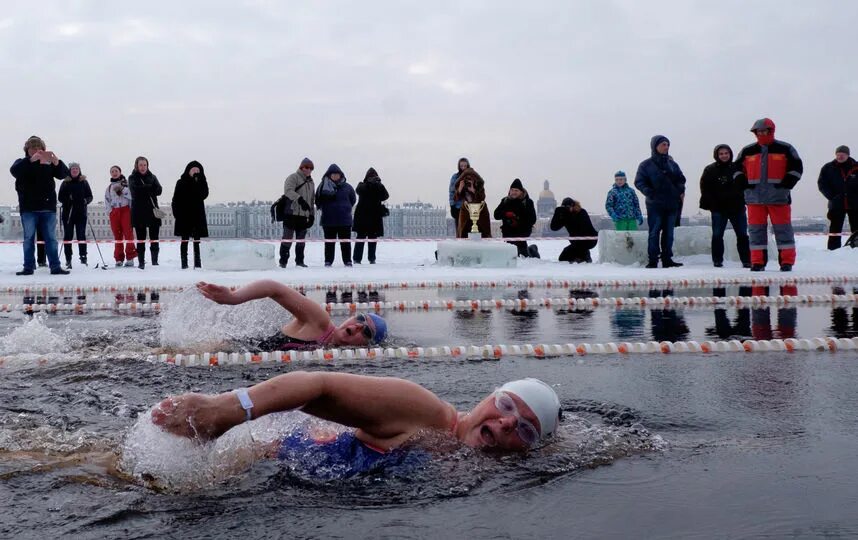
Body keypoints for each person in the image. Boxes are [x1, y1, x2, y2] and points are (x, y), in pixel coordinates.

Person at [150, 370, 562, 463]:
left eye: (525, 430)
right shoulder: (426, 412)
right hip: (242, 463)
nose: (508, 422)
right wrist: (224, 410)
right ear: (487, 400)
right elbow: (318, 385)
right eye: (507, 406)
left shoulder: (468, 458)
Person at [198, 279, 387, 350]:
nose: (355, 327)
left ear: (368, 345)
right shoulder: (320, 322)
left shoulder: (334, 357)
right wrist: (233, 297)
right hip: (226, 351)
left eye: (366, 332)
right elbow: (274, 288)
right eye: (360, 319)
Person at [735, 118, 803, 272]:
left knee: (783, 230)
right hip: (754, 198)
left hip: (779, 197)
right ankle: (757, 262)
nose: (761, 133)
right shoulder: (747, 151)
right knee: (755, 231)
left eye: (763, 131)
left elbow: (797, 168)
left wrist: (786, 184)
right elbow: (736, 169)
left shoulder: (785, 148)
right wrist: (742, 182)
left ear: (771, 131)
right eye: (758, 131)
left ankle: (787, 262)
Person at [9, 135, 70, 275]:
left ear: (43, 149)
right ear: (27, 149)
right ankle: (28, 267)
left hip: (48, 207)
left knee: (51, 239)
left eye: (39, 147)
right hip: (28, 208)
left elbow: (64, 174)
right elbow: (14, 171)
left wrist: (57, 162)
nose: (36, 150)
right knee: (29, 239)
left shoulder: (49, 163)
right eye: (33, 147)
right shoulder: (22, 162)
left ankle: (55, 267)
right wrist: (30, 160)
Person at [634, 135, 686, 268]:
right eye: (663, 144)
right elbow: (639, 182)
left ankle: (667, 259)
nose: (666, 147)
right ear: (655, 146)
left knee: (669, 233)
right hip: (655, 204)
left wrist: (677, 191)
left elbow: (681, 179)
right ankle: (653, 260)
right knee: (654, 232)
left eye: (667, 144)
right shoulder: (645, 165)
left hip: (672, 204)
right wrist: (650, 192)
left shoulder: (673, 164)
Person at [699, 144, 751, 268]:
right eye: (721, 154)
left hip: (737, 208)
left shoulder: (738, 168)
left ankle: (747, 260)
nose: (724, 156)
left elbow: (746, 185)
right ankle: (717, 260)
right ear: (717, 155)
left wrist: (745, 200)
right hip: (718, 209)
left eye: (726, 153)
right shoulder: (710, 170)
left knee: (742, 235)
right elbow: (705, 188)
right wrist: (711, 204)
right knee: (717, 235)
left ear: (730, 154)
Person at [817, 145, 858, 250]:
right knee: (835, 229)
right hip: (836, 204)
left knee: (857, 228)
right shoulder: (828, 168)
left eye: (842, 155)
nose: (840, 157)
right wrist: (831, 196)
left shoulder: (856, 167)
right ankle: (833, 250)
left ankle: (856, 248)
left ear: (848, 155)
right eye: (838, 155)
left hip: (855, 204)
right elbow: (822, 184)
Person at [315, 164, 356, 267]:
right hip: (329, 220)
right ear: (329, 175)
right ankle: (328, 261)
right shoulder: (322, 187)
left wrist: (345, 208)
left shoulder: (348, 187)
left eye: (337, 174)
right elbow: (318, 201)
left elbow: (353, 200)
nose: (335, 176)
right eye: (333, 174)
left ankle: (347, 261)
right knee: (329, 243)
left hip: (344, 220)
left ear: (341, 175)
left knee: (345, 243)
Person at [171, 161, 209, 269]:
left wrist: (198, 181)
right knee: (184, 241)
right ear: (188, 170)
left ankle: (197, 263)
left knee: (197, 241)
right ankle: (184, 263)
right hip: (184, 216)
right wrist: (177, 214)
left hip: (197, 216)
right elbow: (175, 199)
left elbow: (204, 194)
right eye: (194, 170)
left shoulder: (202, 182)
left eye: (198, 170)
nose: (196, 172)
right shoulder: (181, 182)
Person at [279, 158, 316, 268]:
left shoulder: (311, 182)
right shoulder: (293, 177)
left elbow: (311, 200)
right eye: (306, 167)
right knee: (287, 238)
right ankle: (283, 261)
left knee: (301, 239)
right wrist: (299, 199)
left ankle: (300, 261)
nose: (308, 170)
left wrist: (312, 214)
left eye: (310, 168)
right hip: (291, 213)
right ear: (301, 167)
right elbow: (288, 191)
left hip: (303, 215)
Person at [128, 156, 163, 269]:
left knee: (154, 238)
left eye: (144, 165)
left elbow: (159, 190)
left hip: (152, 211)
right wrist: (148, 188)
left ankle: (155, 262)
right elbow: (134, 192)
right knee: (141, 239)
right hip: (139, 212)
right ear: (136, 166)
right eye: (140, 165)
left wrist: (144, 188)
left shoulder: (153, 177)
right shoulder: (132, 178)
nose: (143, 167)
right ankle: (141, 262)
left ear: (147, 166)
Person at [57, 162, 93, 269]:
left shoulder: (84, 182)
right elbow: (60, 197)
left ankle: (83, 257)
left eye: (77, 169)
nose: (75, 170)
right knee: (68, 236)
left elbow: (90, 196)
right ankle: (68, 259)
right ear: (70, 170)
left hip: (81, 213)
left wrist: (85, 201)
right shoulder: (65, 183)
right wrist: (69, 199)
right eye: (73, 169)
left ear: (79, 170)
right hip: (68, 214)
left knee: (81, 235)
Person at [353, 167, 390, 264]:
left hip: (374, 217)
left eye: (374, 177)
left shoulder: (379, 187)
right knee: (360, 238)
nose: (373, 179)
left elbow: (386, 196)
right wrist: (370, 184)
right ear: (367, 178)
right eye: (371, 177)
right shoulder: (362, 186)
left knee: (373, 239)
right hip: (363, 217)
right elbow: (359, 190)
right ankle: (357, 259)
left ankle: (372, 258)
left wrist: (379, 184)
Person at [493, 178, 537, 257]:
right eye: (512, 190)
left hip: (522, 232)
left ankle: (532, 251)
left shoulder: (527, 202)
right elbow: (496, 215)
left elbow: (532, 219)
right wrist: (506, 214)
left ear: (521, 191)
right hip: (508, 232)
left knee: (524, 255)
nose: (513, 192)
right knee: (511, 255)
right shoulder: (505, 201)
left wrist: (517, 219)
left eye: (516, 190)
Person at [104, 165, 137, 267]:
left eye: (116, 171)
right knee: (117, 236)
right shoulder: (109, 188)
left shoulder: (126, 184)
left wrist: (122, 190)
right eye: (112, 171)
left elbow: (132, 196)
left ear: (120, 172)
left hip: (125, 210)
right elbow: (107, 200)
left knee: (128, 234)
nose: (114, 173)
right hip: (115, 212)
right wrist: (110, 212)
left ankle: (130, 258)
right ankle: (119, 259)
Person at [550, 198, 598, 263]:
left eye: (567, 207)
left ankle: (585, 255)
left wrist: (567, 216)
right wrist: (557, 213)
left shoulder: (582, 212)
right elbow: (554, 227)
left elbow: (582, 228)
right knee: (563, 258)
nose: (566, 209)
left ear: (573, 206)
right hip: (576, 242)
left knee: (578, 255)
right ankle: (582, 255)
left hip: (589, 240)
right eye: (564, 207)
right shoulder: (565, 215)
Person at [454, 167, 491, 238]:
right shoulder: (463, 186)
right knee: (464, 234)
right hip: (465, 212)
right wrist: (460, 189)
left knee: (483, 233)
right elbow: (456, 199)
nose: (469, 180)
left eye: (471, 178)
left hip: (480, 212)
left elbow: (482, 198)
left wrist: (473, 190)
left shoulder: (479, 186)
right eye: (467, 178)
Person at [448, 157, 470, 222]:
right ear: (459, 166)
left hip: (470, 208)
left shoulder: (472, 177)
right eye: (461, 166)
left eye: (465, 166)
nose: (463, 168)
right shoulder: (455, 177)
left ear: (468, 166)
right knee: (459, 229)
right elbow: (451, 193)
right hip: (458, 207)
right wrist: (452, 206)